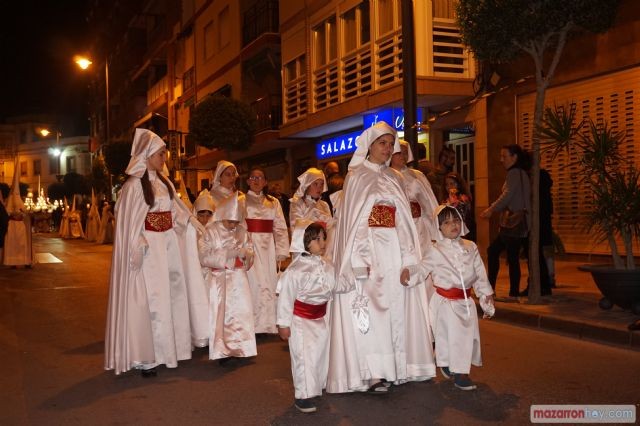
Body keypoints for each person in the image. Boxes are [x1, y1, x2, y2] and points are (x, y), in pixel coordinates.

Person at [327, 121, 435, 394]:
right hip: (369, 254)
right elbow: (356, 223)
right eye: (382, 143)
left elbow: (404, 223)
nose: (387, 149)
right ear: (370, 146)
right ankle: (373, 372)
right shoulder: (357, 176)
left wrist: (410, 259)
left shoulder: (395, 177)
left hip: (394, 253)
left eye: (390, 144)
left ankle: (398, 366)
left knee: (396, 308)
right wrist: (359, 260)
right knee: (372, 312)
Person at [105, 128, 202, 377]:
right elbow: (128, 222)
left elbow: (175, 211)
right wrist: (136, 243)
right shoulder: (134, 186)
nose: (163, 159)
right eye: (160, 154)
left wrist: (190, 222)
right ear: (146, 154)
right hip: (149, 250)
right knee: (153, 300)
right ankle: (148, 356)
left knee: (171, 295)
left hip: (167, 246)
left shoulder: (164, 182)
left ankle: (171, 350)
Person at [405, 205, 494, 391]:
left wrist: (486, 295)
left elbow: (479, 273)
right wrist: (408, 276)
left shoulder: (471, 247)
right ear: (439, 228)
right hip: (444, 303)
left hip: (466, 303)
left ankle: (456, 368)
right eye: (446, 222)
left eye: (456, 221)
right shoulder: (435, 250)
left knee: (463, 338)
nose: (453, 225)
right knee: (448, 337)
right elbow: (422, 269)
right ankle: (455, 369)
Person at [276, 220, 335, 413]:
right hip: (301, 322)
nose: (323, 242)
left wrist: (352, 281)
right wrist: (283, 324)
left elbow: (335, 285)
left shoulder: (326, 265)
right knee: (303, 358)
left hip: (321, 319)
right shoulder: (295, 271)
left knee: (319, 355)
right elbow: (285, 298)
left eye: (323, 238)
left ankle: (316, 387)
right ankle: (302, 395)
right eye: (317, 239)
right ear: (304, 242)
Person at [198, 192, 257, 364]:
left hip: (239, 278)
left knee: (241, 312)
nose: (233, 225)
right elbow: (203, 256)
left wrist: (247, 255)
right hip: (220, 279)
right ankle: (223, 350)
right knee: (222, 315)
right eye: (230, 221)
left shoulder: (242, 231)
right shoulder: (211, 231)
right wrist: (229, 254)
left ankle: (242, 347)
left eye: (236, 222)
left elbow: (250, 249)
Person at [480, 144, 533, 299]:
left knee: (502, 254)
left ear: (514, 157)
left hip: (514, 222)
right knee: (509, 255)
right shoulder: (521, 173)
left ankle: (507, 292)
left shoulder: (514, 173)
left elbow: (507, 195)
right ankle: (509, 292)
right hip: (517, 221)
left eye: (505, 156)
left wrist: (491, 209)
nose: (501, 159)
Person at [245, 167, 290, 335]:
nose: (256, 180)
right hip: (250, 246)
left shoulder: (273, 202)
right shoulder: (241, 200)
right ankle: (254, 323)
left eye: (260, 177)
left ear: (265, 182)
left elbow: (280, 227)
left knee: (269, 282)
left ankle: (268, 323)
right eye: (253, 177)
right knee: (254, 284)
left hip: (268, 247)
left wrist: (281, 250)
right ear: (248, 181)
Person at [390, 139, 439, 253]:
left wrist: (435, 228)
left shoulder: (417, 175)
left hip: (418, 225)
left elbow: (429, 203)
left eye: (406, 152)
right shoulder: (384, 175)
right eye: (399, 152)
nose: (403, 156)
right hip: (396, 224)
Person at [3, 160, 33, 268]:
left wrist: (24, 214)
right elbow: (7, 211)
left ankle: (25, 261)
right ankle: (12, 262)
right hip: (12, 224)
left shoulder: (20, 200)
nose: (16, 194)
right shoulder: (9, 200)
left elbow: (25, 212)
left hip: (20, 225)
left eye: (17, 192)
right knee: (12, 244)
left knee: (22, 243)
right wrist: (14, 213)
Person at [443, 171, 476, 242]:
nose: (449, 187)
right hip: (451, 230)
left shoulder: (463, 198)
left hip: (464, 230)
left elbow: (461, 212)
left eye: (452, 184)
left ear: (458, 185)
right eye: (447, 184)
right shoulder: (445, 199)